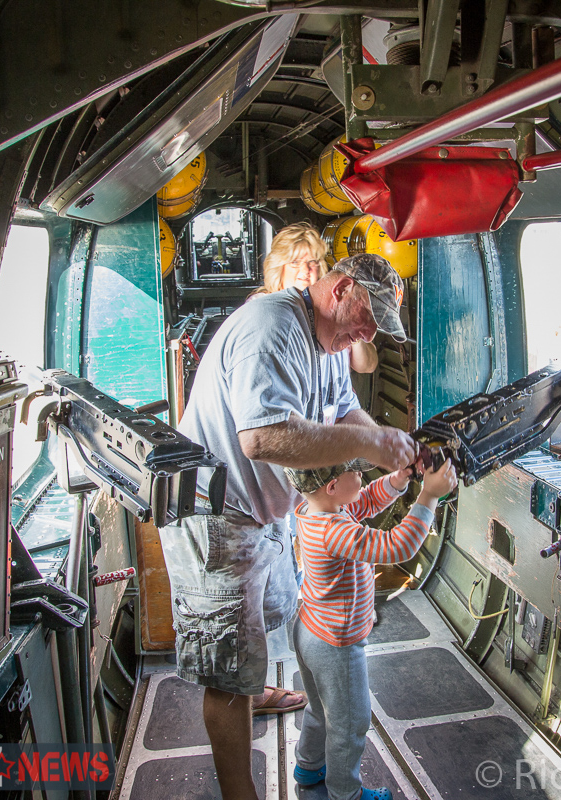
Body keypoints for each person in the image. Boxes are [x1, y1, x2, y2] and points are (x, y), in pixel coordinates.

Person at [159, 253, 417, 800]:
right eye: (367, 319)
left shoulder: (332, 345)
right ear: (341, 290)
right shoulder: (271, 328)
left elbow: (345, 411)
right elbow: (262, 438)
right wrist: (373, 444)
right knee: (227, 673)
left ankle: (253, 692)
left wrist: (391, 451)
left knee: (257, 637)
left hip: (263, 512)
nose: (368, 336)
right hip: (216, 515)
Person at [285, 457, 457, 800]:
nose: (362, 476)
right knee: (350, 724)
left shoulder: (314, 510)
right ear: (332, 486)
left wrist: (398, 479)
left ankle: (308, 765)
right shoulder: (334, 530)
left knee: (319, 709)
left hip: (309, 630)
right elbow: (396, 546)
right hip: (336, 644)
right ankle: (345, 793)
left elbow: (363, 500)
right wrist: (429, 496)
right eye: (355, 472)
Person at [252, 222, 379, 374]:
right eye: (295, 262)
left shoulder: (330, 309)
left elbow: (367, 366)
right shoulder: (263, 308)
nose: (305, 269)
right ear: (279, 267)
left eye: (312, 262)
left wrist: (353, 330)